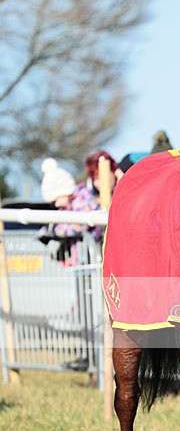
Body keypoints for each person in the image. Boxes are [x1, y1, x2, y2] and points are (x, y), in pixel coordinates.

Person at [40, 158, 102, 372]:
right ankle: (87, 354)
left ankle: (94, 355)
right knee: (83, 312)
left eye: (56, 199)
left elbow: (81, 224)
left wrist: (56, 231)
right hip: (81, 264)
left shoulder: (84, 199)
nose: (56, 204)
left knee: (93, 312)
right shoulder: (73, 202)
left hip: (91, 265)